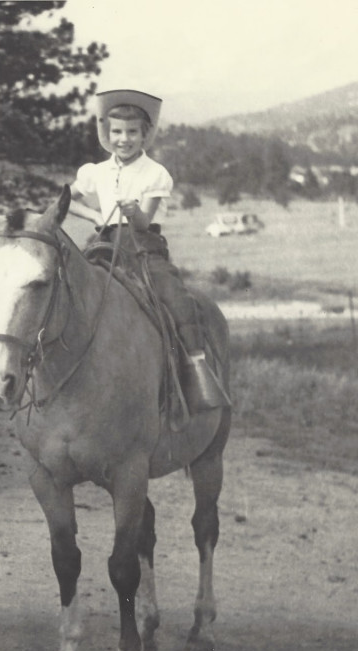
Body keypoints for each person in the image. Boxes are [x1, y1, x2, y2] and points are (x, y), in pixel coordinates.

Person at [69, 89, 227, 410]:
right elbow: (66, 200)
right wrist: (95, 215)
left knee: (174, 296)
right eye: (116, 132)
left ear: (145, 135)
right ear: (106, 133)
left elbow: (143, 222)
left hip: (143, 246)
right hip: (104, 242)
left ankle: (196, 366)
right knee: (70, 289)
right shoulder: (94, 171)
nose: (123, 139)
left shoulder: (156, 173)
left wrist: (131, 211)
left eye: (131, 133)